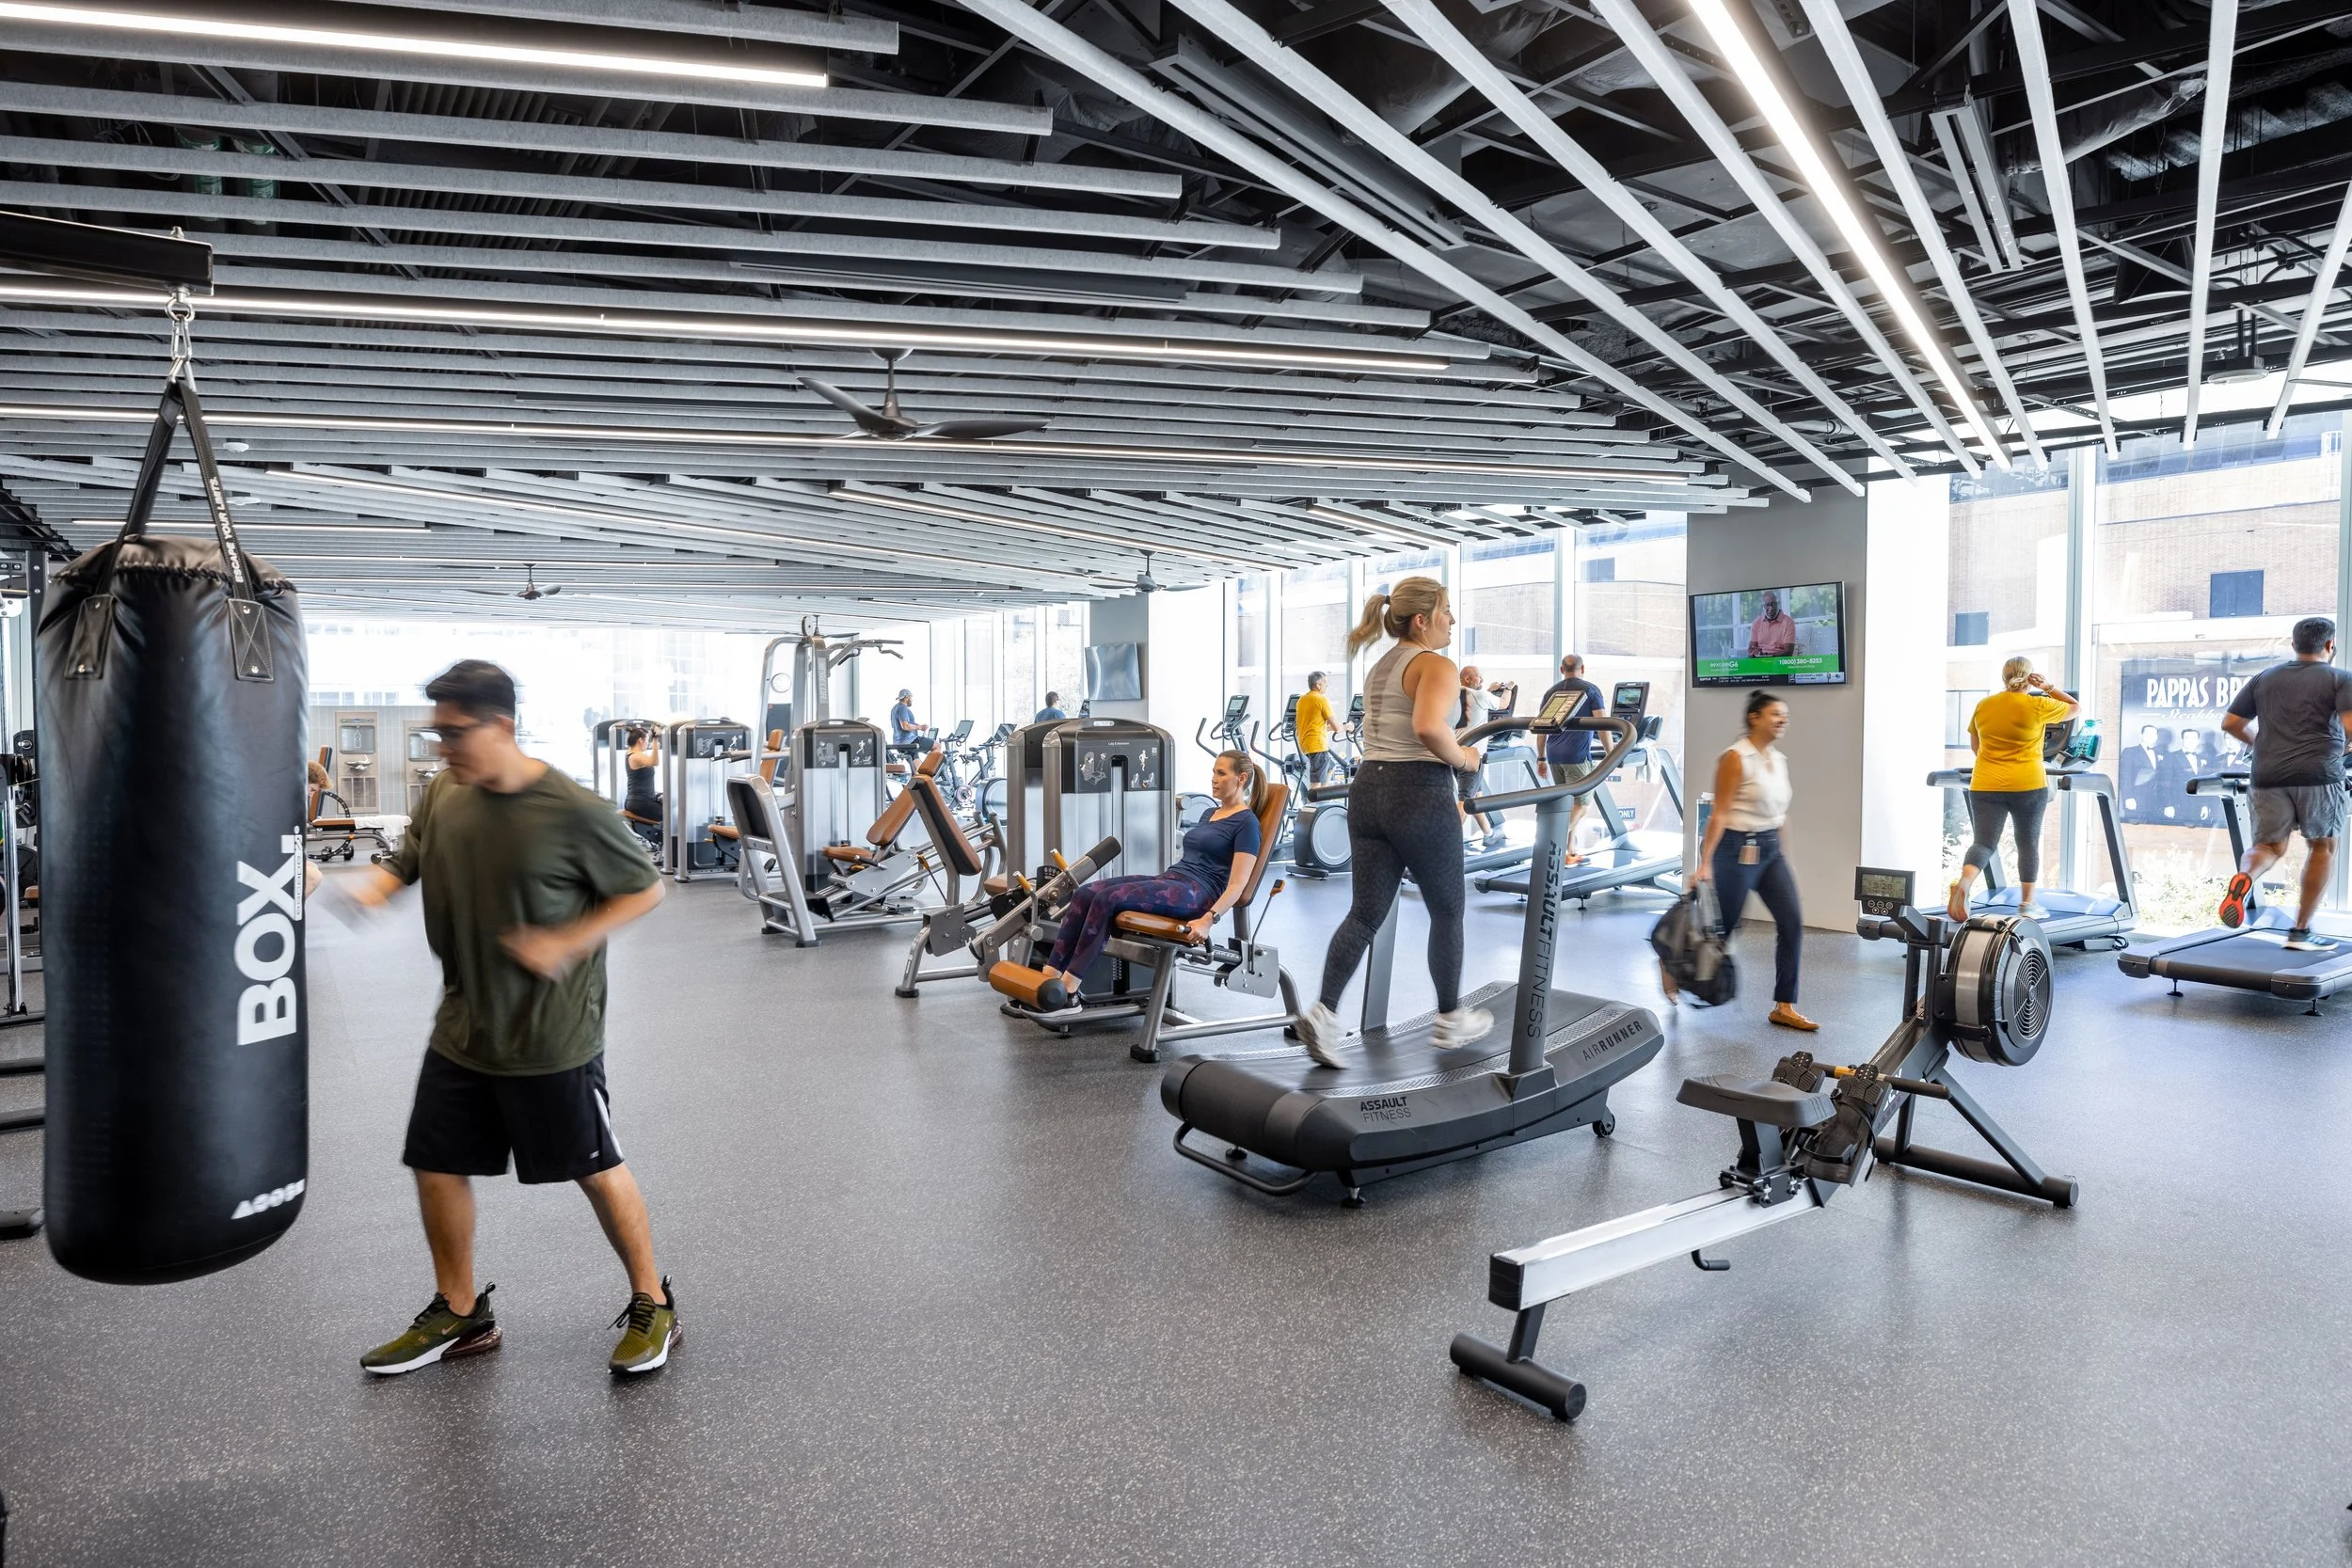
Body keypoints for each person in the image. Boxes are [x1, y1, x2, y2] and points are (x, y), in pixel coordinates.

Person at [348, 660, 678, 1378]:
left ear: (501, 725)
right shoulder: (447, 791)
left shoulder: (573, 810)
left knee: (593, 1167)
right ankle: (462, 1311)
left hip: (550, 1033)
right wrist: (364, 890)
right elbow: (409, 858)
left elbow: (646, 890)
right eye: (437, 732)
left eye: (454, 732)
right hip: (464, 1023)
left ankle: (654, 1300)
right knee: (436, 1163)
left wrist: (566, 939)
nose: (443, 747)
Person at [1295, 577, 1491, 1066]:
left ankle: (1323, 1013)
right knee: (1447, 910)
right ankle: (1450, 1017)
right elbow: (1428, 727)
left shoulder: (1383, 664)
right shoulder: (1436, 664)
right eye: (1446, 611)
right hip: (1418, 792)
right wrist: (1466, 759)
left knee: (1364, 914)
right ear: (1422, 619)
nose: (1452, 621)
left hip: (1369, 790)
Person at [1029, 749, 1266, 1003]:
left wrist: (1208, 920)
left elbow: (1237, 886)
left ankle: (1069, 989)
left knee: (1107, 899)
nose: (1214, 779)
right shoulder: (1210, 813)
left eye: (1221, 773)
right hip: (1174, 879)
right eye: (1213, 773)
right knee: (1086, 893)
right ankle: (1049, 975)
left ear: (1241, 779)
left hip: (1197, 894)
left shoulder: (1247, 824)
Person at [2218, 616, 2352, 948]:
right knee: (2322, 847)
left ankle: (2245, 877)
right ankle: (2300, 931)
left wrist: (2259, 744)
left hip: (2266, 774)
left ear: (2294, 646)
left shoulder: (2265, 678)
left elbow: (2232, 723)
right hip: (2319, 775)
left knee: (2267, 847)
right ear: (2330, 645)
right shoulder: (2340, 679)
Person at [1693, 689, 1815, 1031]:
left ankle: (1784, 1005)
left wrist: (1783, 856)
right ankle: (1674, 966)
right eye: (1776, 714)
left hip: (1770, 848)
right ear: (1755, 717)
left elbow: (1781, 813)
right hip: (1735, 847)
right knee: (1725, 929)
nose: (1783, 720)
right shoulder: (1735, 758)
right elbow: (1719, 813)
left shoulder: (1778, 759)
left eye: (1785, 716)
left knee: (1791, 922)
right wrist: (1704, 863)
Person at [1947, 657, 2078, 923]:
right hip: (2027, 784)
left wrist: (1993, 763)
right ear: (2030, 678)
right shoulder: (2037, 704)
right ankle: (2027, 904)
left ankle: (1964, 883)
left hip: (1985, 783)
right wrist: (2049, 687)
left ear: (2003, 677)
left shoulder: (1985, 705)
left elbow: (1976, 744)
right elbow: (2074, 707)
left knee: (1983, 842)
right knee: (2027, 842)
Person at [1539, 654, 1606, 865]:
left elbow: (1541, 727)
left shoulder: (1552, 691)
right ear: (1582, 668)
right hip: (1576, 756)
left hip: (1553, 754)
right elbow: (1603, 725)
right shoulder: (1591, 690)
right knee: (1583, 804)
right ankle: (1551, 843)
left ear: (1561, 670)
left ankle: (1569, 851)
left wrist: (1540, 757)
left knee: (1569, 804)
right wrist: (1613, 754)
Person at [1454, 665, 1517, 849]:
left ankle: (1488, 833)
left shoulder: (1455, 694)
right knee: (1465, 801)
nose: (1481, 680)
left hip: (1453, 753)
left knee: (1476, 796)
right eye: (1478, 677)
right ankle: (1446, 845)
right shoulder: (1481, 696)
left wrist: (1488, 690)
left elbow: (1473, 702)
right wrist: (1509, 687)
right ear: (1467, 679)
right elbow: (1503, 704)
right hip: (1471, 757)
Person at [1295, 672, 1338, 787]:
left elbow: (1315, 726)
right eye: (1325, 682)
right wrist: (1348, 727)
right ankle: (1313, 803)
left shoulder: (1302, 700)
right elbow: (1337, 728)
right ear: (1318, 685)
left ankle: (1322, 799)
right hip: (1317, 746)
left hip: (1306, 745)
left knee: (1330, 767)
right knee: (1315, 783)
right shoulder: (1321, 699)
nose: (1326, 685)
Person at [621, 724, 661, 845]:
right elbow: (654, 761)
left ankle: (667, 848)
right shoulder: (636, 756)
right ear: (640, 740)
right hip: (641, 803)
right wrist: (655, 739)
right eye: (647, 741)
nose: (647, 744)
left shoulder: (630, 754)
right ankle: (672, 850)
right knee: (674, 816)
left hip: (638, 801)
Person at [1746, 592, 1797, 659]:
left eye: (1773, 604)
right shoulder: (1756, 622)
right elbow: (1751, 648)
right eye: (1767, 605)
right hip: (1760, 661)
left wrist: (1766, 656)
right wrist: (1753, 653)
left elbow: (1788, 652)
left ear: (1778, 604)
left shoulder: (1789, 622)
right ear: (1763, 606)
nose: (1771, 608)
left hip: (1778, 662)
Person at [888, 689, 925, 759]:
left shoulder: (895, 708)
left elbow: (906, 723)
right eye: (911, 698)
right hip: (908, 741)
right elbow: (905, 726)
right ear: (906, 697)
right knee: (937, 745)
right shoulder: (902, 708)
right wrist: (920, 727)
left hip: (899, 742)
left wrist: (919, 726)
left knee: (916, 761)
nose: (912, 700)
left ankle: (922, 770)